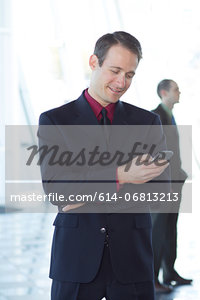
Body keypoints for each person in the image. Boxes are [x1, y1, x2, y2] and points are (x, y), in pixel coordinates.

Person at [39, 31, 170, 300]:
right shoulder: (55, 121)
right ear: (93, 62)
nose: (121, 82)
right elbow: (58, 192)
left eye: (130, 74)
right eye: (115, 70)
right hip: (76, 259)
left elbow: (159, 193)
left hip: (132, 259)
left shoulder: (146, 123)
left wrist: (84, 187)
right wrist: (123, 175)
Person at [151, 79, 191, 293]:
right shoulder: (155, 116)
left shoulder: (170, 115)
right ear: (164, 92)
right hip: (160, 187)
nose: (179, 92)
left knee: (170, 229)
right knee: (157, 232)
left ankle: (169, 271)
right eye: (176, 89)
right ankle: (153, 278)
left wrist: (179, 172)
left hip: (174, 183)